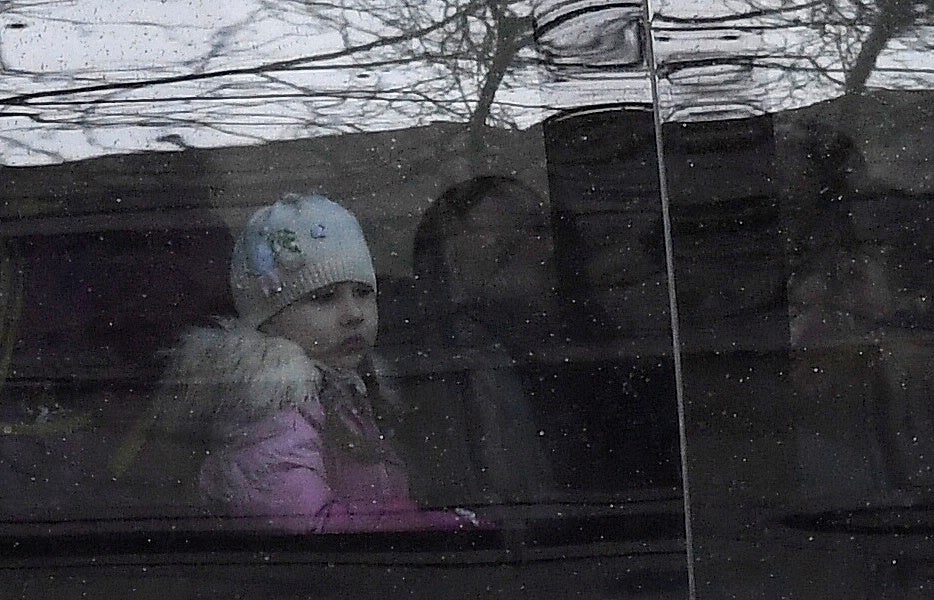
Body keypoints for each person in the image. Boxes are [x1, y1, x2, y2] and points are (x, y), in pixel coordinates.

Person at [142, 193, 479, 533]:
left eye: (363, 292)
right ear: (270, 320)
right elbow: (309, 529)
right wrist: (428, 528)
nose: (353, 314)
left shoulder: (346, 389)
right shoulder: (272, 409)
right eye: (323, 298)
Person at [397, 176, 556, 506]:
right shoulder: (448, 370)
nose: (546, 247)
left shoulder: (559, 351)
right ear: (449, 265)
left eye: (541, 227)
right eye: (507, 245)